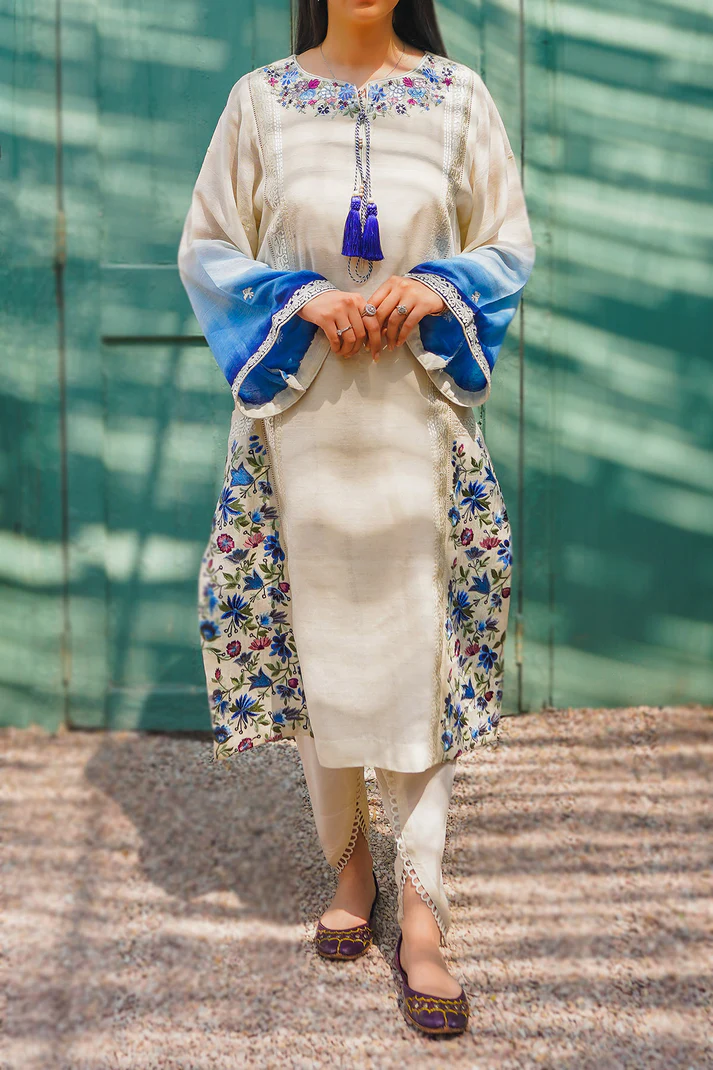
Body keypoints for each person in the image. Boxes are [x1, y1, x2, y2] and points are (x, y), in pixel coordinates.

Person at [178, 0, 534, 1037]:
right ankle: (347, 863)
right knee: (314, 641)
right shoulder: (260, 102)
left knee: (417, 653)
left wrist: (434, 286)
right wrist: (301, 298)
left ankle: (421, 908)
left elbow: (507, 244)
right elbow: (206, 250)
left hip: (415, 423)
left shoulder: (458, 97)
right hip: (300, 425)